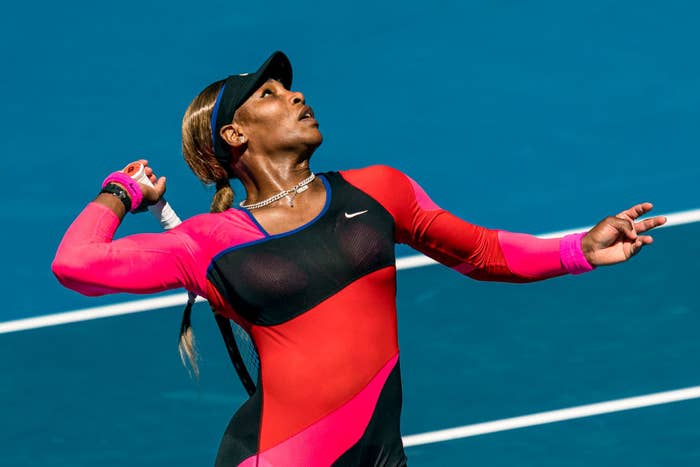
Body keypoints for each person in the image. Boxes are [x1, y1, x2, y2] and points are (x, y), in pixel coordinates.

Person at [52, 51, 667, 466]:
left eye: (291, 87)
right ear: (236, 135)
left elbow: (479, 251)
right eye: (270, 95)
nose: (296, 96)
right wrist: (122, 191)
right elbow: (76, 262)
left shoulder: (379, 189)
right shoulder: (207, 241)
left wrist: (577, 250)